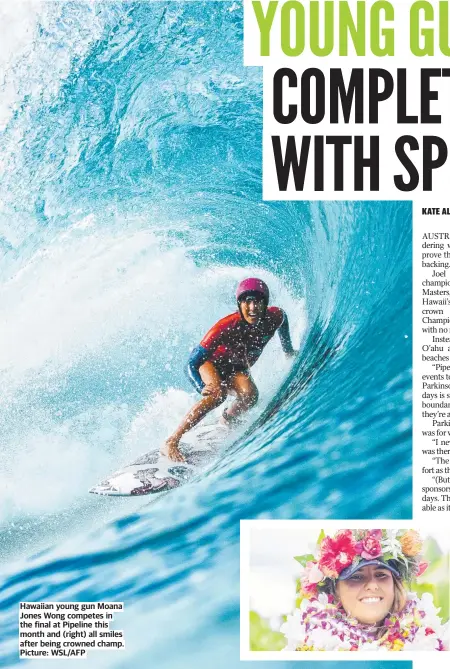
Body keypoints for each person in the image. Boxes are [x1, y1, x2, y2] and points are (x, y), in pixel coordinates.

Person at [161, 277, 296, 462]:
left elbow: (284, 321)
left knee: (250, 395)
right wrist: (201, 386)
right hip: (210, 364)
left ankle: (227, 419)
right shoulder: (225, 326)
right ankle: (171, 441)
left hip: (236, 368)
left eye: (258, 302)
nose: (253, 308)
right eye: (247, 302)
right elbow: (191, 363)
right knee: (217, 394)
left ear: (265, 303)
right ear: (239, 304)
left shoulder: (275, 317)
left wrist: (288, 351)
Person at [281, 529, 448, 651]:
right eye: (356, 577)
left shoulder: (433, 640)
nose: (373, 585)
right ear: (335, 591)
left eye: (381, 575)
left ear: (394, 585)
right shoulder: (306, 647)